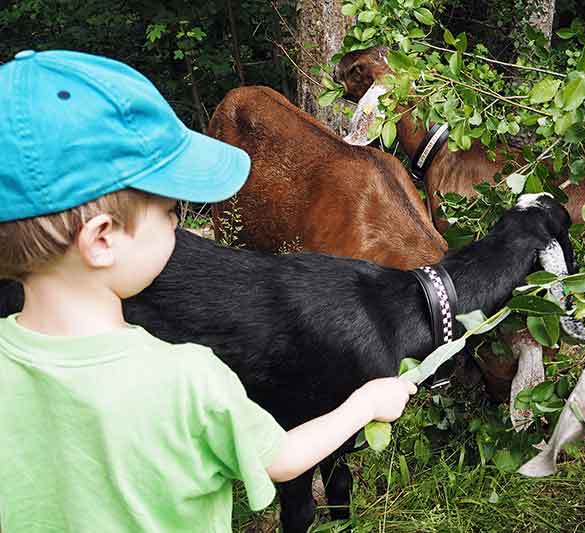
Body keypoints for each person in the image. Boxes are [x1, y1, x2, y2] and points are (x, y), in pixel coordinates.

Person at [0, 49, 416, 533]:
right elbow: (280, 458)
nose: (180, 228)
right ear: (102, 239)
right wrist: (365, 403)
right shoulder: (189, 379)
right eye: (170, 214)